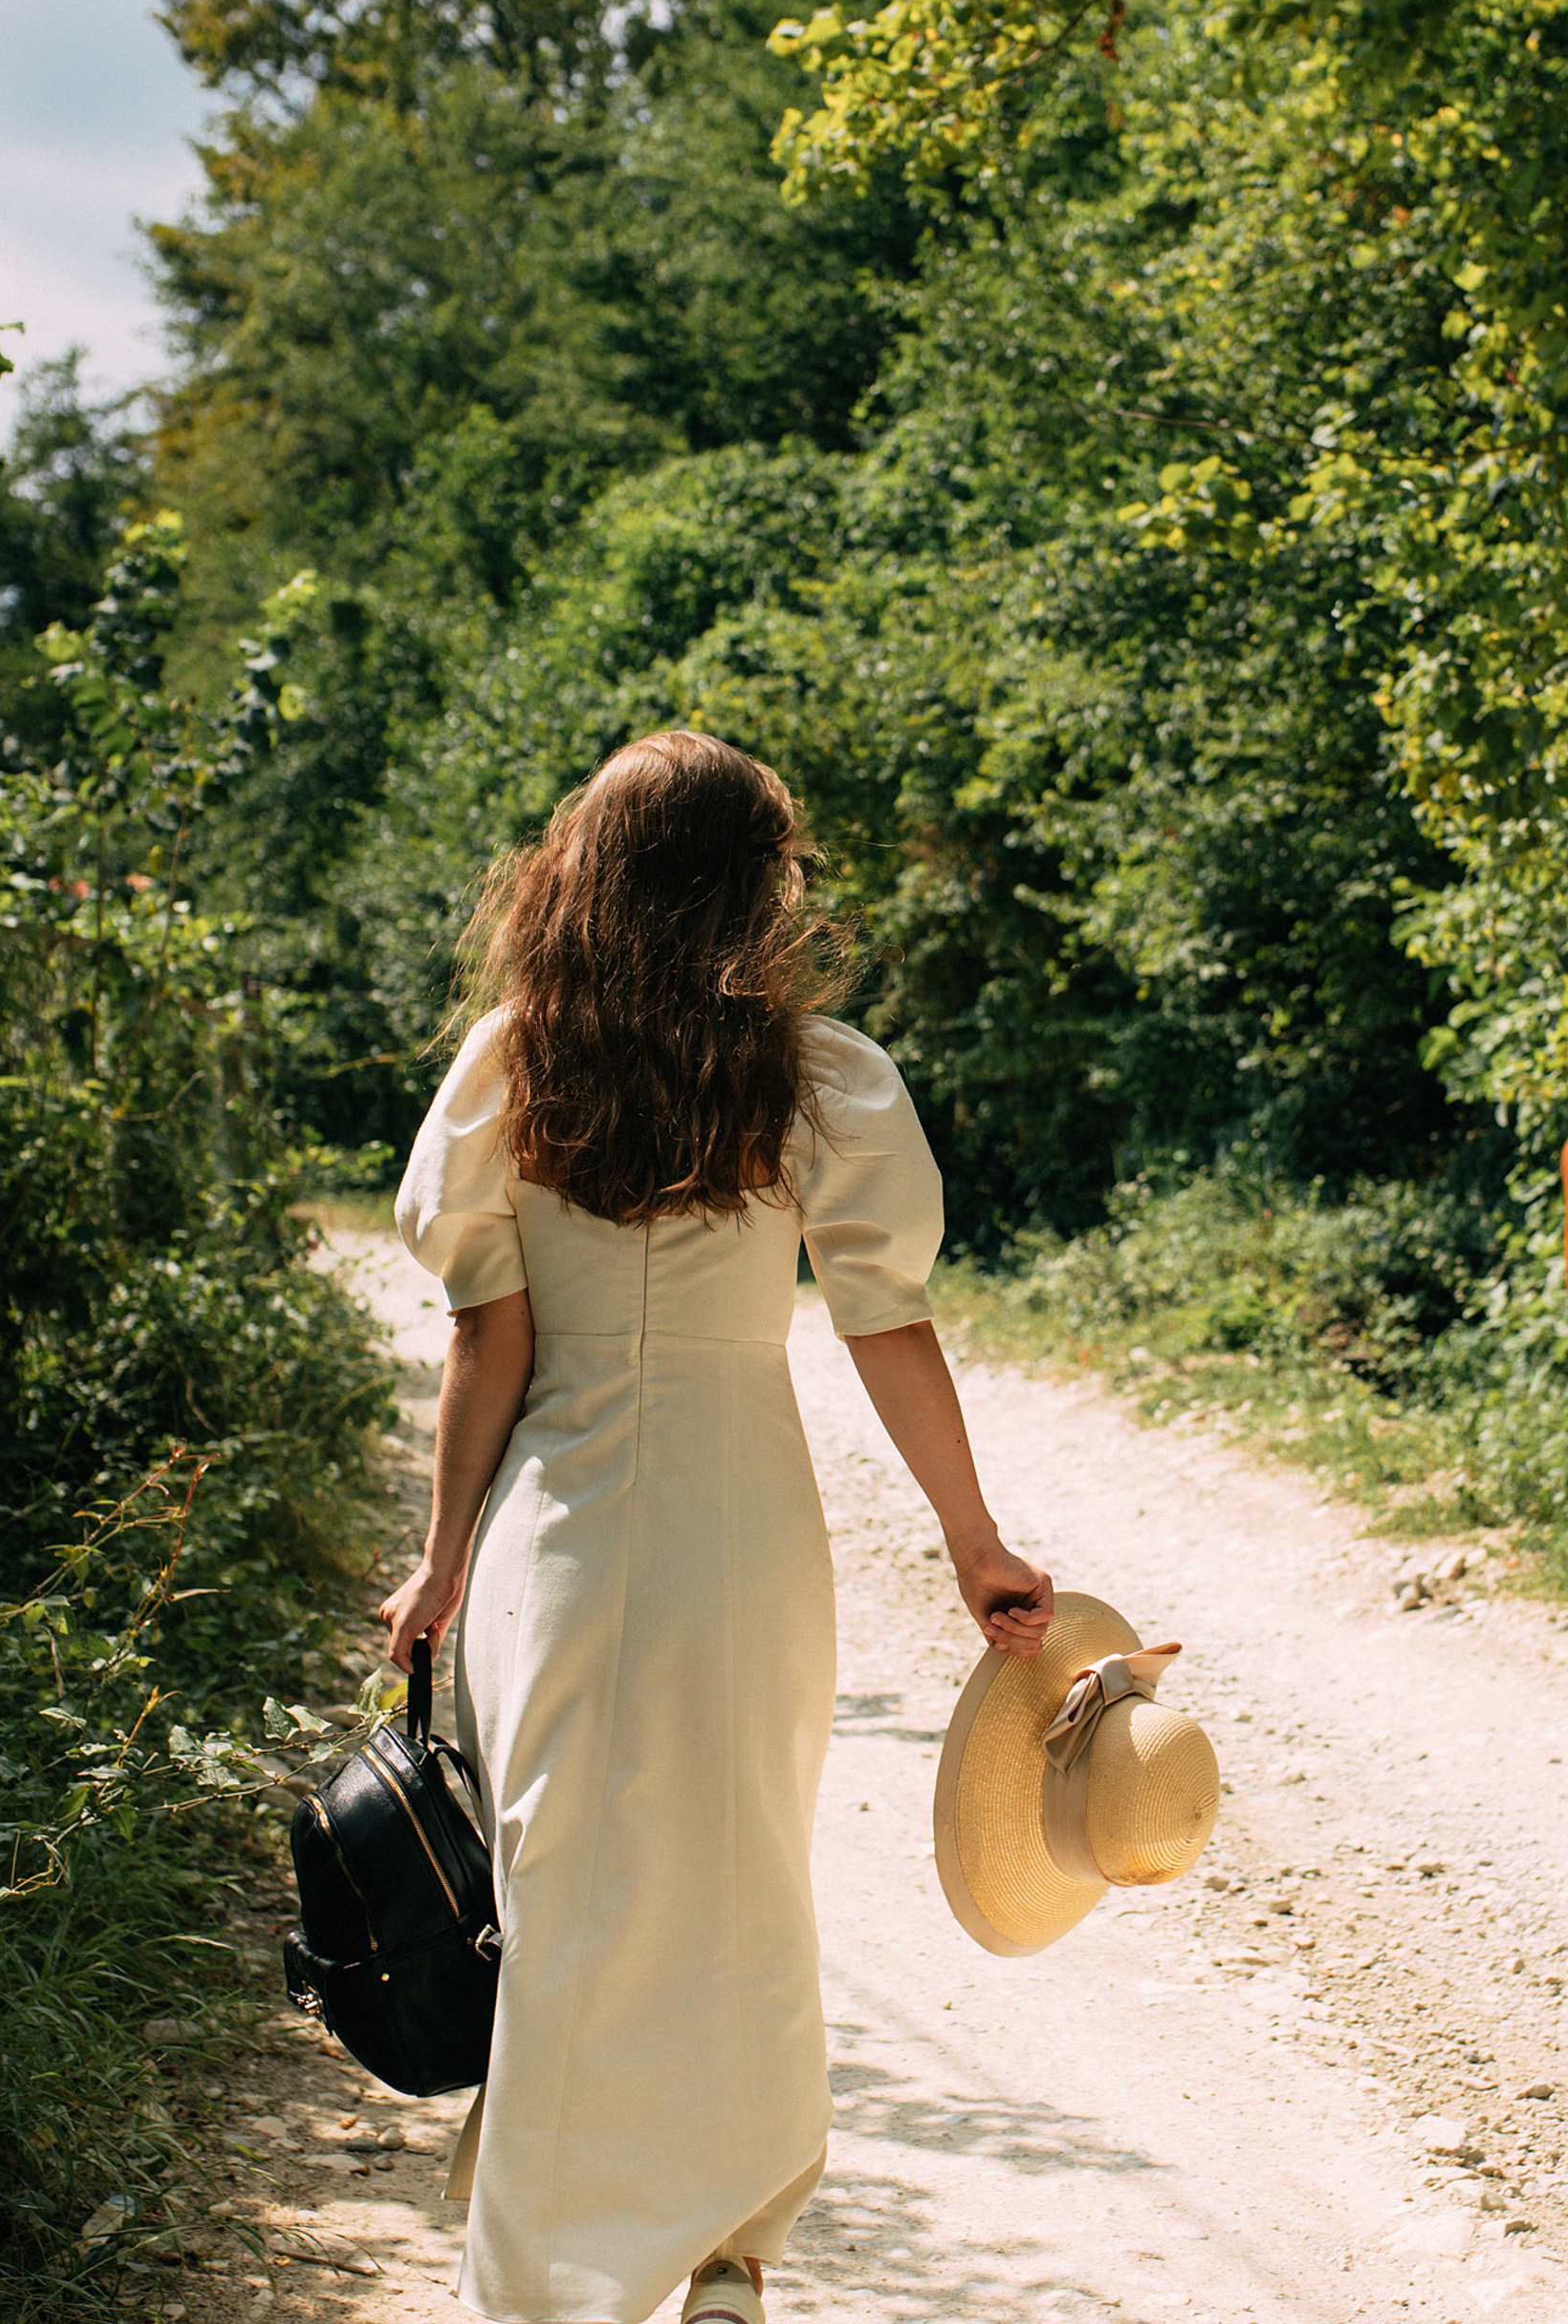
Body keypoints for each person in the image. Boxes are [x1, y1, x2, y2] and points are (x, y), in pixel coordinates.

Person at [377, 731, 1054, 2324]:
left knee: (562, 1905)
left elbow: (493, 1343)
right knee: (744, 1878)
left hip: (562, 1525)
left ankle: (549, 2280)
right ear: (751, 881)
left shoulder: (514, 1063)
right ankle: (731, 2253)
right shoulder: (815, 1074)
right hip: (746, 1524)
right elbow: (885, 1320)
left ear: (587, 872)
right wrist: (976, 1543)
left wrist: (443, 1556)